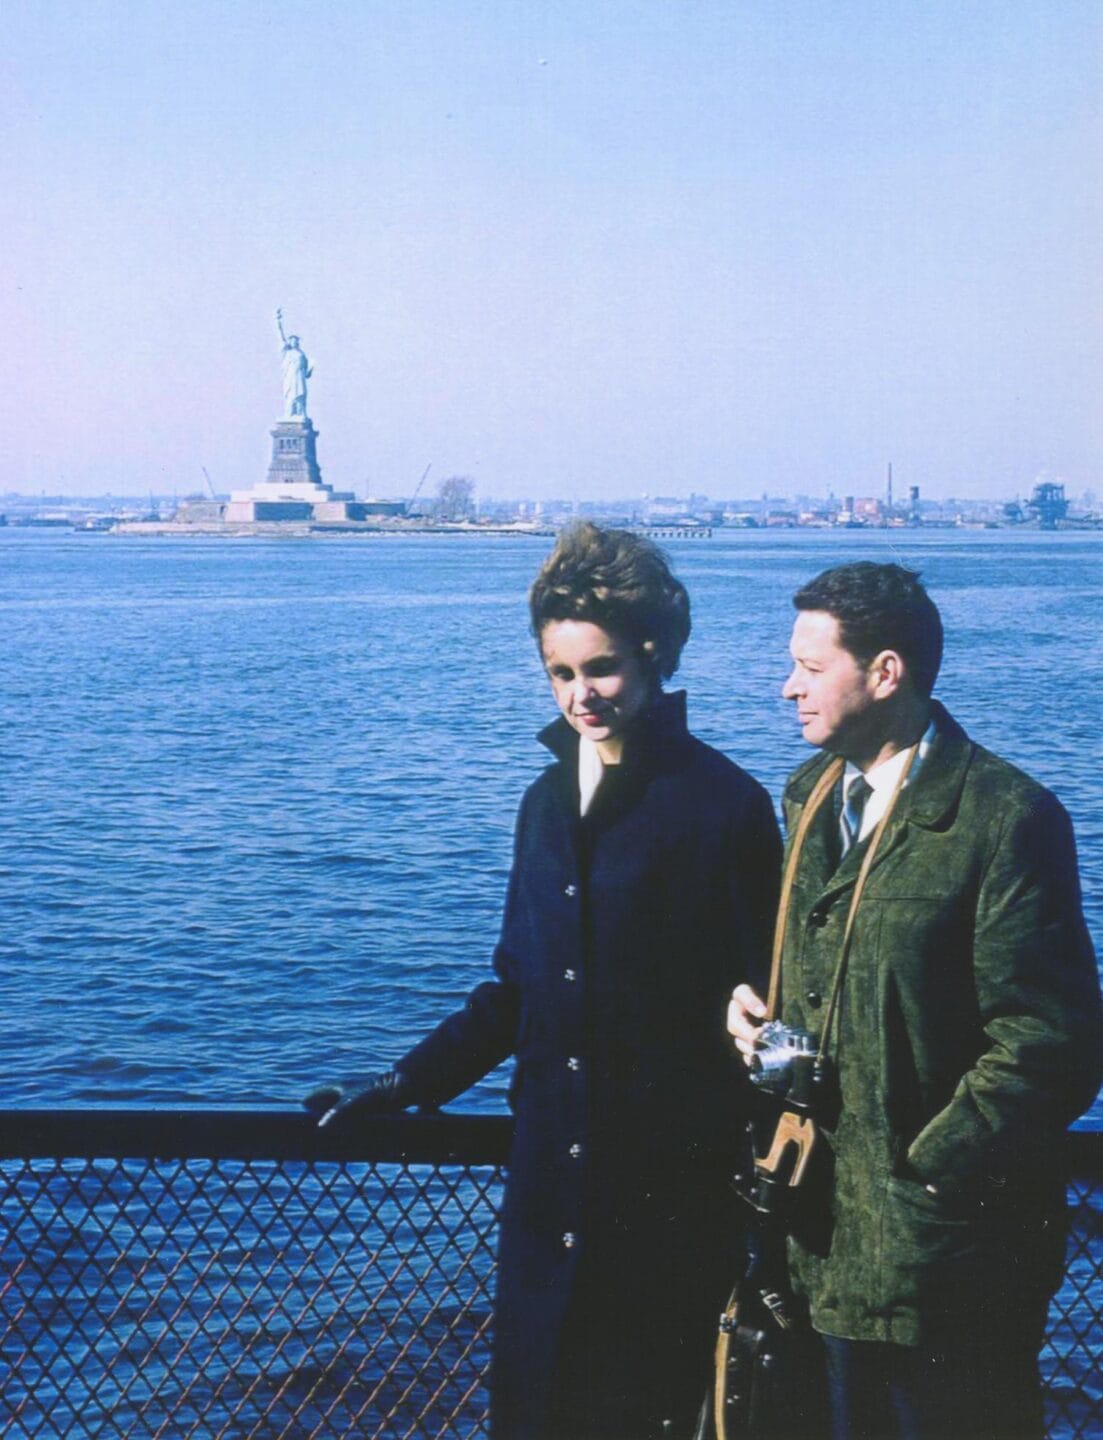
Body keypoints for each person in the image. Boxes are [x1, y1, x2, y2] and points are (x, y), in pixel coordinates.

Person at [306, 522, 782, 1439]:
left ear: (653, 655)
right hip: (547, 1193)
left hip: (664, 1201)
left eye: (597, 669)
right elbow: (516, 992)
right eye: (559, 674)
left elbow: (764, 995)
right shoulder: (544, 803)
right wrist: (405, 1084)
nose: (580, 695)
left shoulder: (723, 805)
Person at [727, 561, 1102, 1440]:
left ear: (885, 672)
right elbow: (834, 971)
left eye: (810, 669)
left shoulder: (1003, 817)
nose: (787, 689)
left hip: (943, 1265)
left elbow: (1052, 1043)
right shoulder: (810, 797)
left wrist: (924, 1169)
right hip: (816, 1244)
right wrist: (749, 1012)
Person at [276, 308, 312, 418]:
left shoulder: (302, 355)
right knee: (291, 396)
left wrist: (311, 369)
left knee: (301, 396)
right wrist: (278, 321)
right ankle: (290, 414)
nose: (294, 342)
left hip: (299, 378)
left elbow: (306, 374)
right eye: (292, 340)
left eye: (296, 340)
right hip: (290, 378)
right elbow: (280, 337)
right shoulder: (287, 353)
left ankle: (301, 413)